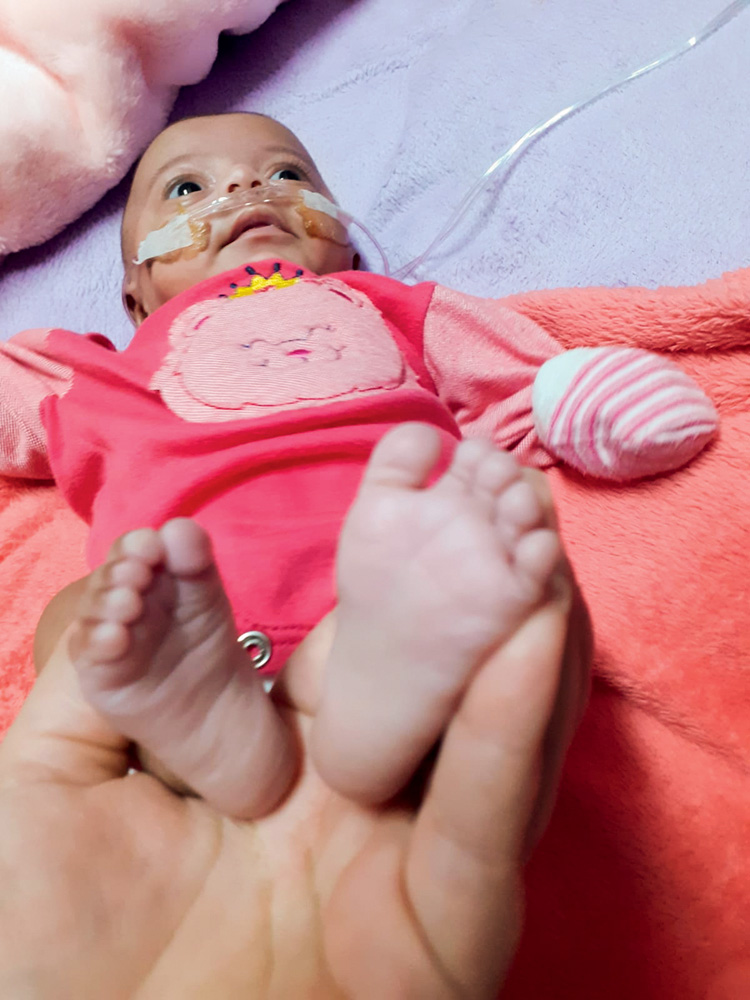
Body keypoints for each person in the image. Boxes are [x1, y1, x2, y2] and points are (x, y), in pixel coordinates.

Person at [3, 111, 706, 818]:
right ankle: (204, 744)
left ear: (342, 243)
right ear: (137, 295)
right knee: (85, 617)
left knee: (512, 569)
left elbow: (516, 375)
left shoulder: (382, 305)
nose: (249, 186)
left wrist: (588, 397)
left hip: (394, 596)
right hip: (196, 618)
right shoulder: (96, 371)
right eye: (186, 189)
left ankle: (339, 731)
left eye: (288, 175)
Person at [0, 552, 589, 997]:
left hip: (379, 599)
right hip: (187, 608)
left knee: (525, 600)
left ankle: (239, 739)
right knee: (85, 612)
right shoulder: (96, 387)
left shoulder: (428, 380)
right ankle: (208, 738)